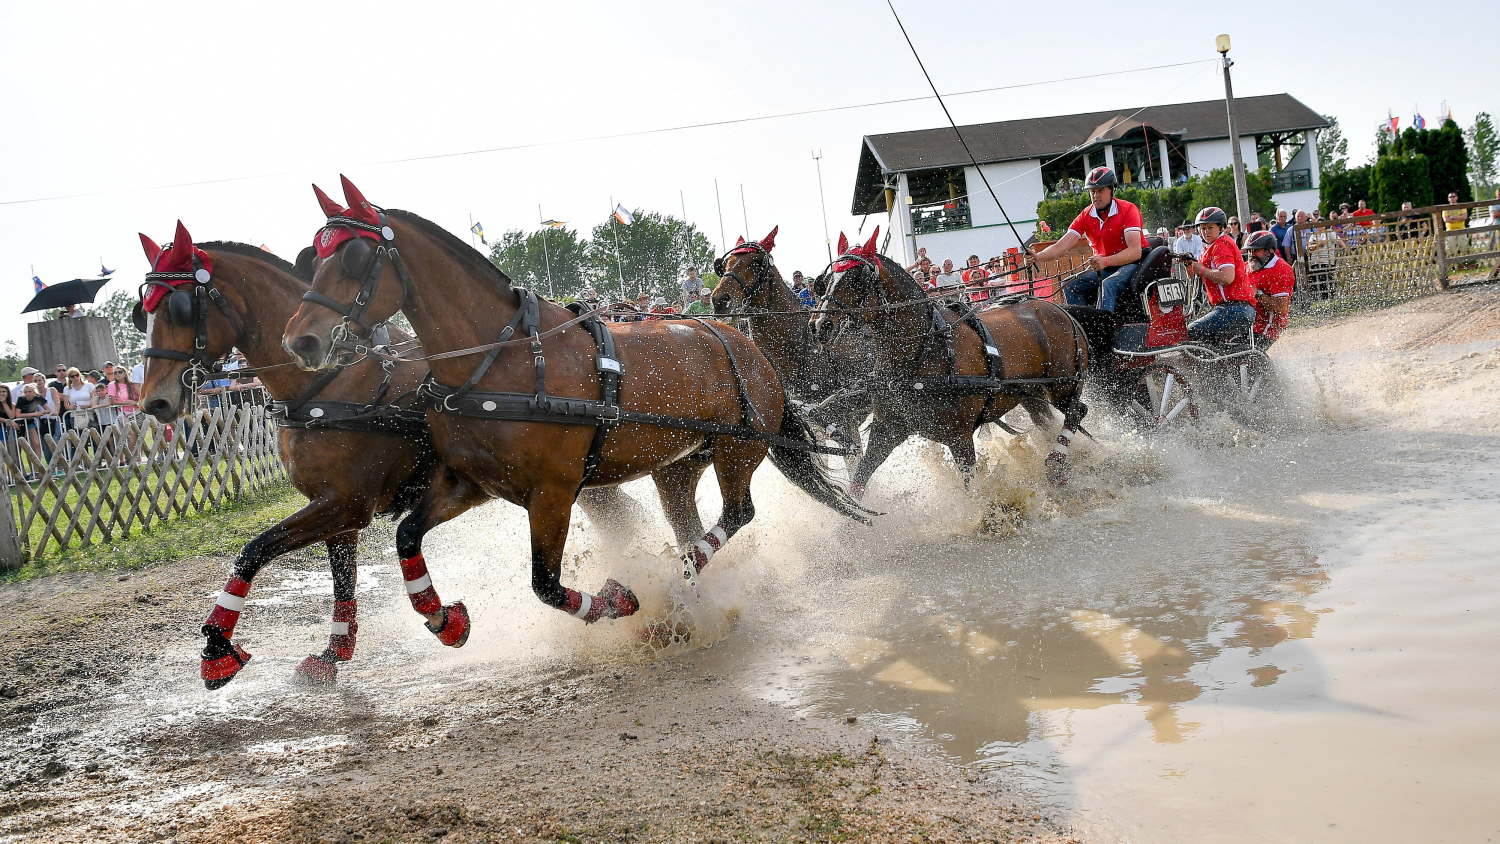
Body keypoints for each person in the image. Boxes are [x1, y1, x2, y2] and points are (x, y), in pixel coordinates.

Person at [1029, 166, 1144, 313]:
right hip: (1105, 267)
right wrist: (1038, 256)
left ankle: (1103, 331)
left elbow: (1135, 252)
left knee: (1107, 285)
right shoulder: (1085, 215)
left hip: (1131, 265)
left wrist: (1106, 261)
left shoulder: (1128, 209)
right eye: (1092, 191)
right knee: (1069, 285)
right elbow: (1059, 247)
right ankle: (1085, 328)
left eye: (1101, 190)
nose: (1096, 195)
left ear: (1113, 189)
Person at [1183, 207, 1256, 344]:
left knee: (1189, 333)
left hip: (1234, 309)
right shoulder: (1213, 246)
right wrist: (1190, 265)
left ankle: (1198, 366)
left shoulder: (1221, 244)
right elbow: (1195, 275)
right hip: (1236, 309)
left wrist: (1202, 270)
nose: (1206, 232)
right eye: (1202, 228)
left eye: (1210, 227)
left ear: (1221, 227)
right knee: (1210, 343)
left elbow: (1227, 278)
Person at [1244, 231, 1294, 346]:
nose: (1252, 254)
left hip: (1268, 326)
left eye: (1256, 250)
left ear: (1270, 251)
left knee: (1243, 352)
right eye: (1249, 250)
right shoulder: (1247, 266)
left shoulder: (1281, 269)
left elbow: (1280, 308)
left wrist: (1257, 293)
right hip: (1249, 321)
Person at [60, 367, 95, 432]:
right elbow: (66, 405)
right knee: (79, 437)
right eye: (72, 376)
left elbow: (94, 398)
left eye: (77, 375)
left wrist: (89, 405)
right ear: (69, 378)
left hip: (89, 414)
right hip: (75, 416)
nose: (75, 377)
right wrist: (71, 407)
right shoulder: (67, 389)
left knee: (93, 436)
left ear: (80, 375)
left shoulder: (89, 385)